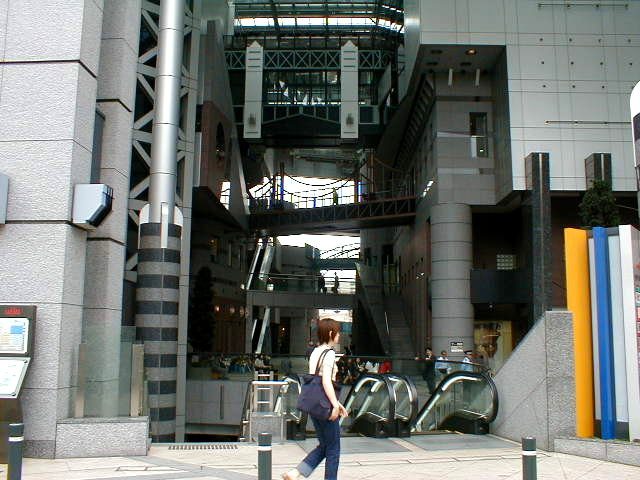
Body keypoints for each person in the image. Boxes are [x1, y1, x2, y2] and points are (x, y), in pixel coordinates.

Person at [283, 318, 348, 480]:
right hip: (325, 405)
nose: (340, 335)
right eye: (338, 332)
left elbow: (316, 381)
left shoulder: (315, 352)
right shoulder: (330, 353)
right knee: (333, 448)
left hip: (314, 403)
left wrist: (337, 404)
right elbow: (325, 381)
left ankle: (296, 472)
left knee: (325, 445)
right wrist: (334, 404)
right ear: (331, 333)